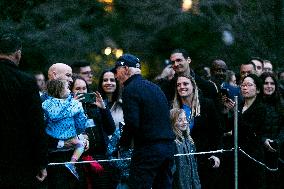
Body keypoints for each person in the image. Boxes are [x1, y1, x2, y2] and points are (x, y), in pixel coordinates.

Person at [112, 54, 175, 189]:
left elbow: (132, 123)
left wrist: (123, 144)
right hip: (167, 148)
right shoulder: (155, 88)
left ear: (126, 69)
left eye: (117, 71)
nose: (116, 77)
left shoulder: (130, 89)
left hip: (148, 150)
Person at [0, 33, 48, 187]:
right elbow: (35, 123)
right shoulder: (26, 81)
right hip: (19, 158)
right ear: (17, 53)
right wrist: (41, 162)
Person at [172, 73, 222, 189]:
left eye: (185, 84)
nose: (181, 87)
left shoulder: (207, 104)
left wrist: (217, 154)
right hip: (181, 161)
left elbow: (217, 132)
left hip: (204, 160)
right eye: (178, 85)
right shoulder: (173, 108)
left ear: (193, 86)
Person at [70, 74, 116, 188]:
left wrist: (103, 108)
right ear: (71, 91)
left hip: (100, 157)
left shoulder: (94, 105)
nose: (82, 92)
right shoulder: (68, 108)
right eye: (78, 89)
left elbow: (110, 129)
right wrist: (72, 106)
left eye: (84, 88)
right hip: (80, 159)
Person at [42, 79, 88, 180]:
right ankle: (72, 163)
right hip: (70, 138)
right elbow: (80, 124)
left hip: (52, 140)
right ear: (60, 91)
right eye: (67, 88)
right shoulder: (74, 104)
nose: (70, 90)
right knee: (81, 144)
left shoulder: (45, 104)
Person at [98, 69, 132, 188]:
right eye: (105, 80)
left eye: (112, 80)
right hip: (102, 151)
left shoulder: (124, 103)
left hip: (120, 153)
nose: (109, 83)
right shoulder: (94, 105)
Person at [238, 74, 267, 189]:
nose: (245, 88)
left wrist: (237, 114)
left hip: (253, 154)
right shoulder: (239, 105)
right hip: (238, 152)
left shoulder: (261, 108)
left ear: (258, 89)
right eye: (243, 85)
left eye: (249, 85)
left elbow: (251, 130)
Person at [259, 72, 284, 189]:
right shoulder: (254, 104)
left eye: (272, 83)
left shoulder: (281, 104)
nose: (269, 86)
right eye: (266, 83)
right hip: (258, 152)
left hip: (278, 151)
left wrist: (278, 140)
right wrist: (263, 140)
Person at [170, 108, 201, 189]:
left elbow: (194, 167)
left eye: (185, 119)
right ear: (173, 123)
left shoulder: (189, 141)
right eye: (180, 120)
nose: (184, 122)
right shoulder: (172, 143)